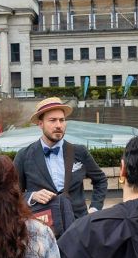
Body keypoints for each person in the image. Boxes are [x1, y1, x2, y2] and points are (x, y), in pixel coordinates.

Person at [13, 97, 108, 237]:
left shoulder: (79, 152)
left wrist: (94, 209)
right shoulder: (24, 155)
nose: (59, 125)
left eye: (62, 120)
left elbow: (100, 180)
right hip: (41, 230)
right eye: (52, 120)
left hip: (79, 229)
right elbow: (12, 193)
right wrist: (32, 196)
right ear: (41, 124)